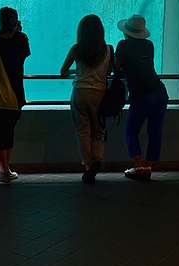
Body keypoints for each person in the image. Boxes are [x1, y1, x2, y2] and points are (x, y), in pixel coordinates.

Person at [0, 8, 30, 184]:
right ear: (16, 22)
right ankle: (6, 169)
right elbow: (24, 53)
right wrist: (18, 31)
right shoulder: (22, 39)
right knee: (8, 132)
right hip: (15, 96)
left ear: (0, 21)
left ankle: (3, 172)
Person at [60, 14, 113, 184]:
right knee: (98, 130)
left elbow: (63, 71)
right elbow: (109, 73)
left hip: (80, 92)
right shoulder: (108, 49)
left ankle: (88, 166)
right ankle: (97, 159)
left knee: (83, 131)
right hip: (99, 93)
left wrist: (77, 73)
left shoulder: (76, 49)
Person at [115, 15, 168, 180]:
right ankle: (148, 167)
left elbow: (117, 67)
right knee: (155, 131)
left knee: (131, 130)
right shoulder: (149, 45)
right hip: (159, 92)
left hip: (141, 95)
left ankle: (139, 166)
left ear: (127, 32)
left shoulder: (123, 45)